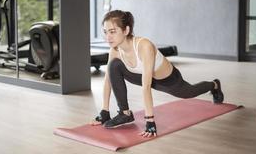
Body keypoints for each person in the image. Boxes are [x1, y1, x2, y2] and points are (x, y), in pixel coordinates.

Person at [91, 10, 224, 138]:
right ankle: (125, 113)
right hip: (141, 76)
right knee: (114, 66)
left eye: (112, 32)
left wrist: (150, 121)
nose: (108, 37)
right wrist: (104, 111)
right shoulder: (114, 51)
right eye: (105, 32)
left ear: (126, 30)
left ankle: (214, 85)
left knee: (189, 92)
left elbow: (146, 86)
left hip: (167, 80)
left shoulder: (144, 46)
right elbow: (108, 80)